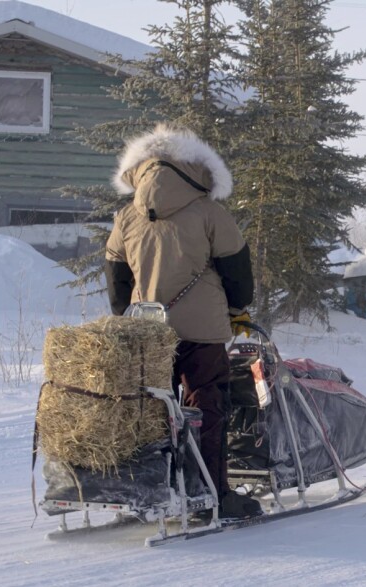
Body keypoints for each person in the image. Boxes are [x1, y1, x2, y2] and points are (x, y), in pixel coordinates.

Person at [104, 123, 261, 519]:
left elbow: (116, 278)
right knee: (206, 407)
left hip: (147, 332)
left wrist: (127, 318)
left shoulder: (126, 217)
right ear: (195, 168)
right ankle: (212, 496)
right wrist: (238, 308)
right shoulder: (210, 212)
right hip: (202, 331)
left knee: (151, 412)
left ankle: (154, 491)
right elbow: (237, 271)